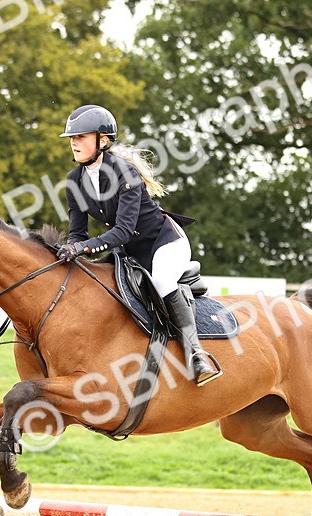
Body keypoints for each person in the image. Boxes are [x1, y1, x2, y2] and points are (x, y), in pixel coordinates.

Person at [55, 104, 221, 386]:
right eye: (72, 138)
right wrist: (71, 249)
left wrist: (84, 248)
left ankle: (197, 354)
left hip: (164, 242)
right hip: (128, 252)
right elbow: (78, 233)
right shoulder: (74, 181)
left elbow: (122, 231)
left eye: (81, 136)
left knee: (163, 281)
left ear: (103, 140)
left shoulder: (125, 173)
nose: (74, 142)